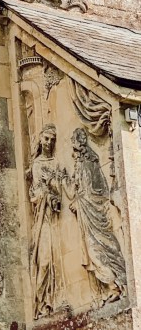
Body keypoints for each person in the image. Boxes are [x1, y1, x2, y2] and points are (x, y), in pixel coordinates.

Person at [66, 128, 127, 305]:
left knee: (96, 251)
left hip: (93, 216)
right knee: (95, 251)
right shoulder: (82, 164)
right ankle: (113, 287)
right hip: (87, 216)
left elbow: (91, 193)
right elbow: (74, 192)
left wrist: (78, 200)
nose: (73, 153)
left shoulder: (87, 164)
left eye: (75, 148)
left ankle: (116, 286)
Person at [28, 125, 62, 319]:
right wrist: (48, 194)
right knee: (44, 261)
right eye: (46, 139)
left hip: (55, 216)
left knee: (53, 260)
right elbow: (36, 193)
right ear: (40, 140)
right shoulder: (38, 164)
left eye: (52, 140)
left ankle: (51, 302)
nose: (49, 143)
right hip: (43, 218)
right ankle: (41, 304)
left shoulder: (56, 161)